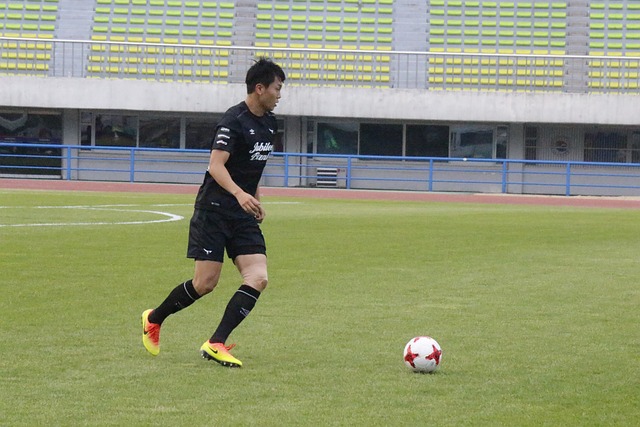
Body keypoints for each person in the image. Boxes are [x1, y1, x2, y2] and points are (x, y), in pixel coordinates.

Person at [141, 58, 286, 368]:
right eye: (276, 88)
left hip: (242, 214)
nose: (279, 94)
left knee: (258, 277)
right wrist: (239, 194)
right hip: (214, 210)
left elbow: (252, 169)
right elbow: (215, 166)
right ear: (259, 88)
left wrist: (255, 199)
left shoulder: (271, 123)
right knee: (205, 283)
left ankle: (216, 342)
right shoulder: (233, 120)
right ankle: (154, 318)